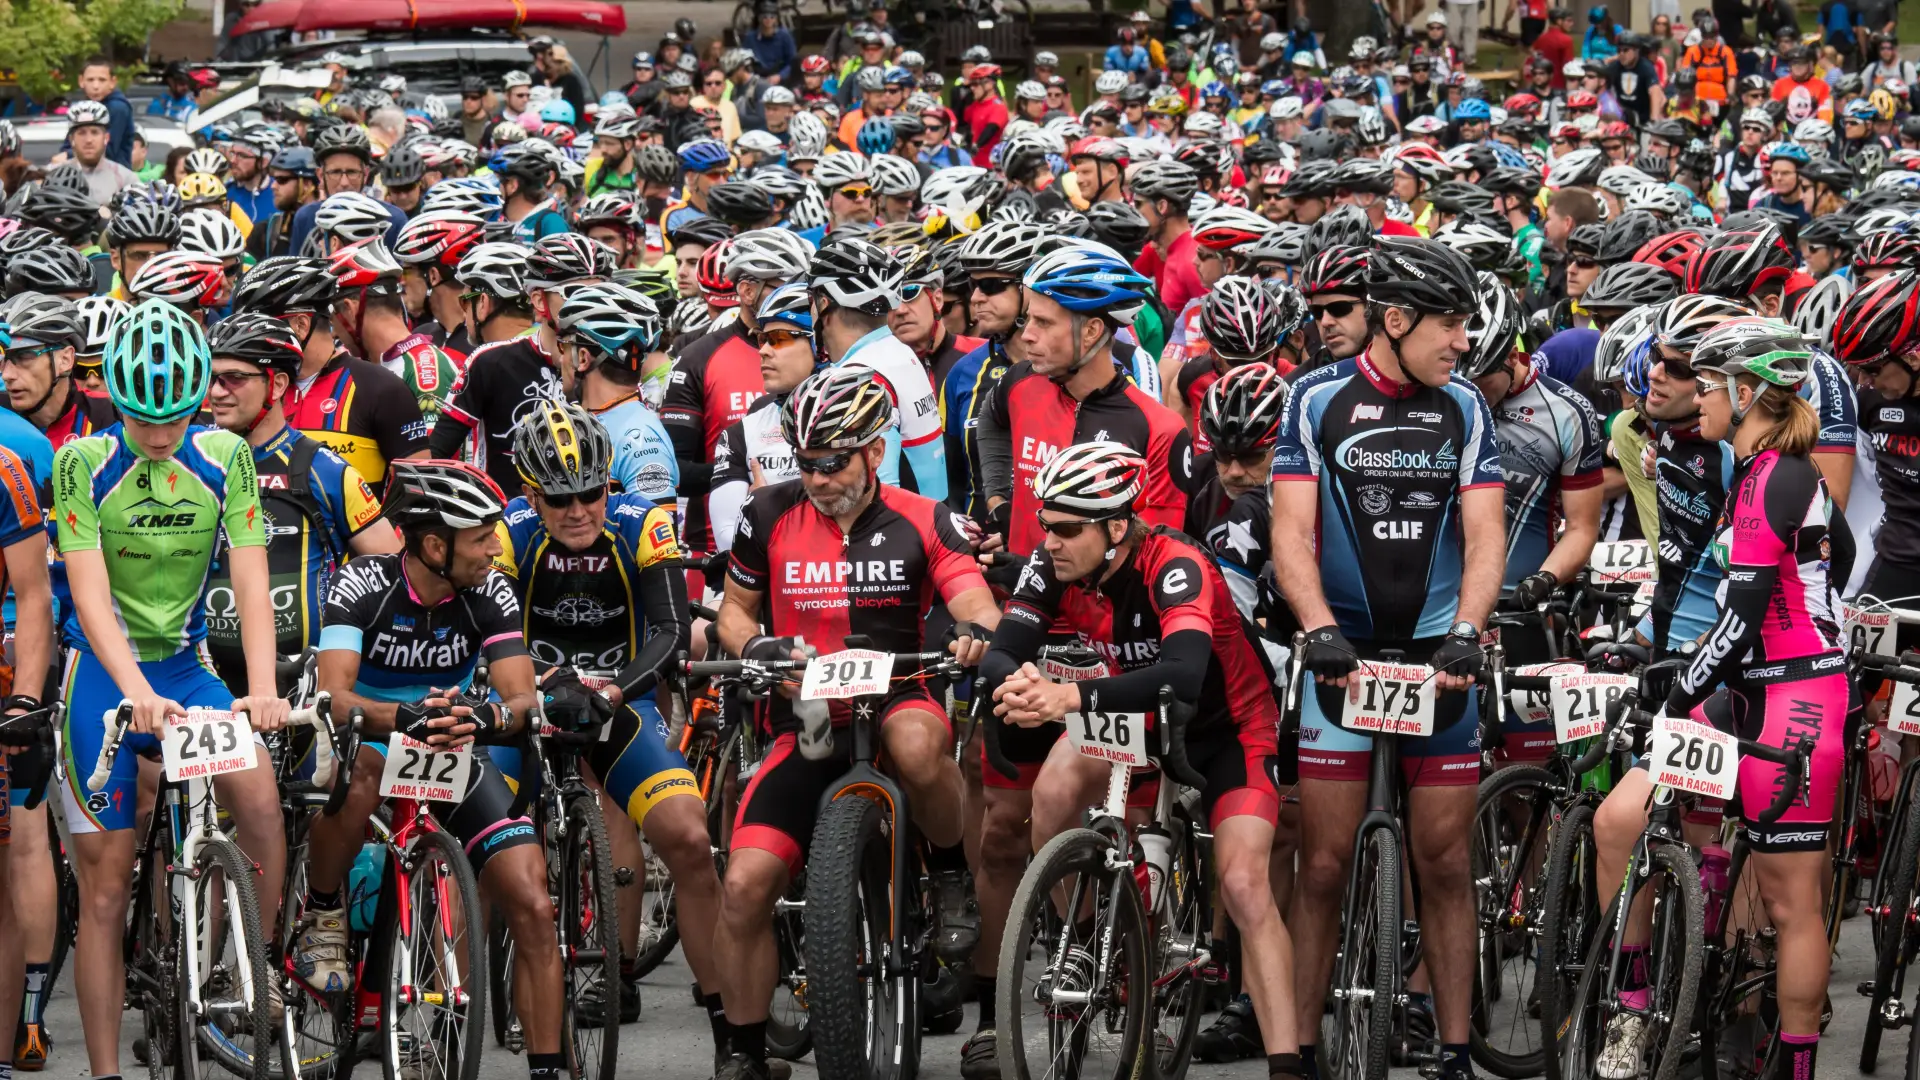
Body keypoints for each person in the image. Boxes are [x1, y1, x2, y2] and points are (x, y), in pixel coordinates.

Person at [978, 440, 1303, 1078]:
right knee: (1050, 793)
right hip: (1133, 717)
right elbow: (1001, 648)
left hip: (1226, 726)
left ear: (1117, 527)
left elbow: (1182, 674)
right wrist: (1014, 681)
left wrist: (1064, 695)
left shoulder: (1173, 563)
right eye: (1045, 524)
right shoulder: (1053, 563)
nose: (1050, 540)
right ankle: (1079, 934)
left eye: (1068, 528)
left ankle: (1287, 1063)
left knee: (1242, 883)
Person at [711, 364, 1000, 1080]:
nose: (816, 478)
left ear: (875, 450)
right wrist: (755, 646)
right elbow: (732, 613)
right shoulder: (767, 513)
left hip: (899, 695)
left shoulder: (922, 516)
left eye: (832, 460)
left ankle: (951, 872)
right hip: (804, 719)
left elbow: (976, 604)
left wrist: (974, 633)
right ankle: (745, 1054)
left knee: (913, 738)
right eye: (805, 462)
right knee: (745, 885)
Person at [1272, 238, 1505, 1080]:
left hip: (1442, 658)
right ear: (1397, 320)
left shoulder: (1466, 407)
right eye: (1450, 324)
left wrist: (1470, 632)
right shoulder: (1315, 397)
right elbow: (1291, 533)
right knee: (1324, 864)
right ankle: (1294, 1051)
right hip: (1345, 655)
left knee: (1444, 861)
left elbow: (1485, 537)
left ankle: (1450, 1049)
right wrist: (1317, 626)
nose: (1463, 342)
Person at [1588, 319, 1845, 1080]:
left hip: (1796, 697)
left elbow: (1744, 609)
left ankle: (1792, 1063)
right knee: (1619, 821)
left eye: (1707, 385)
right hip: (1744, 688)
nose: (1697, 398)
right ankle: (1632, 1007)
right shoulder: (1759, 472)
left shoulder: (1778, 475)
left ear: (1746, 392)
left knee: (1791, 901)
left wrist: (1678, 691)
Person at [53, 300, 291, 1080]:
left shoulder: (227, 456)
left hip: (188, 667)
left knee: (258, 801)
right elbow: (88, 597)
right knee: (107, 888)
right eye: (142, 418)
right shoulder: (83, 464)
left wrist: (259, 690)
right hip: (102, 676)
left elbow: (253, 582)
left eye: (175, 418)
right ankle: (105, 1073)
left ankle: (242, 969)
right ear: (115, 402)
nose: (160, 434)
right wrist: (132, 691)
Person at [300, 457, 569, 1080]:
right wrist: (402, 715)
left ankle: (549, 1069)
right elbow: (336, 695)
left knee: (532, 899)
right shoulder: (363, 583)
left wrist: (484, 720)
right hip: (368, 738)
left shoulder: (490, 590)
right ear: (432, 543)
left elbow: (521, 697)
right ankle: (323, 911)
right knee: (364, 771)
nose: (495, 546)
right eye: (480, 536)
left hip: (450, 746)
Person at [489, 401, 718, 1035]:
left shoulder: (641, 523)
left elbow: (672, 633)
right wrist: (539, 685)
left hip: (620, 699)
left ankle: (733, 1031)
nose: (578, 510)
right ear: (531, 494)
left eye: (590, 491)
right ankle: (454, 1001)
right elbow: (493, 633)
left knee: (690, 840)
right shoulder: (507, 532)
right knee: (479, 830)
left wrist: (614, 692)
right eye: (560, 499)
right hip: (526, 701)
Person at [198, 311, 402, 693]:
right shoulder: (191, 460)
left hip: (303, 684)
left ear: (276, 385)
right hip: (203, 679)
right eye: (211, 378)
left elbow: (395, 576)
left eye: (234, 378)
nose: (217, 391)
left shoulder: (324, 469)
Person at [229, 255, 427, 484]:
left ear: (301, 325)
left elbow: (419, 498)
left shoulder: (381, 390)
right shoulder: (256, 388)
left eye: (261, 327)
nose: (251, 339)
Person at [552, 283, 680, 508]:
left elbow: (660, 539)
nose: (559, 359)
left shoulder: (640, 439)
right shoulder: (592, 420)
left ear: (583, 358)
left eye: (564, 347)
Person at [60, 101, 136, 205]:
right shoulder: (52, 174)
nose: (88, 140)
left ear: (106, 138)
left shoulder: (126, 179)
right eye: (81, 133)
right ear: (71, 139)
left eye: (94, 132)